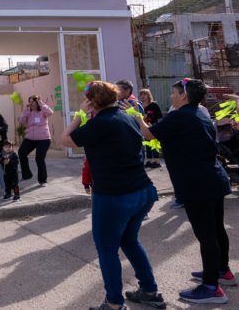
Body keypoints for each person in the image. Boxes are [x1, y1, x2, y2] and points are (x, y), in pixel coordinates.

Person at [62, 81, 165, 310]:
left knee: (107, 248)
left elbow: (65, 138)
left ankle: (114, 303)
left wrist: (80, 114)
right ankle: (149, 291)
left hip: (114, 195)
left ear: (92, 101)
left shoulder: (100, 123)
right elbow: (146, 135)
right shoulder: (125, 117)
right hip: (143, 190)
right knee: (129, 240)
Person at [133, 78, 234, 304]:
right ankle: (222, 271)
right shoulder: (201, 112)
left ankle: (211, 288)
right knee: (217, 230)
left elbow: (149, 135)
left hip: (197, 184)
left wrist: (137, 117)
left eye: (174, 92)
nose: (171, 96)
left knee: (206, 235)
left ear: (184, 96)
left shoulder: (180, 116)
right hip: (214, 179)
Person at [17, 95, 53, 185]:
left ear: (37, 102)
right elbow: (21, 121)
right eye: (30, 102)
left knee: (39, 158)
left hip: (43, 138)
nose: (32, 104)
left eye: (33, 102)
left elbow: (50, 113)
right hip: (30, 138)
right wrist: (25, 111)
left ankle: (42, 180)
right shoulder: (28, 111)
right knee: (21, 152)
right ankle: (26, 175)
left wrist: (42, 105)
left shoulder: (43, 110)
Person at [138, 89, 163, 168]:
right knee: (147, 144)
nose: (142, 97)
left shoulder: (153, 105)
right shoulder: (140, 106)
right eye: (141, 95)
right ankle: (149, 160)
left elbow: (159, 116)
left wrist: (157, 125)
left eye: (144, 95)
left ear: (148, 95)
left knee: (154, 144)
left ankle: (157, 161)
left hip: (153, 126)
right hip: (144, 127)